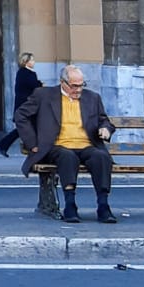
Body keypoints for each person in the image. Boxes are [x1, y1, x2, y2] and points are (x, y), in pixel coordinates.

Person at [16, 63, 118, 225]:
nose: (78, 90)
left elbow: (104, 120)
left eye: (81, 85)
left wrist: (105, 129)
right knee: (67, 156)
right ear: (63, 82)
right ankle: (70, 205)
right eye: (74, 86)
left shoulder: (92, 98)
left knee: (101, 156)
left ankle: (103, 205)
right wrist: (32, 143)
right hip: (57, 146)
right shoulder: (44, 95)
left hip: (86, 145)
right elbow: (21, 115)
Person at [0, 50, 42, 156]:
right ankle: (32, 148)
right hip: (26, 105)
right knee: (26, 127)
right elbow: (34, 87)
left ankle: (4, 144)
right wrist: (40, 84)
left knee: (24, 128)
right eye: (32, 60)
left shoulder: (22, 72)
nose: (34, 62)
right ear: (26, 62)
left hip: (24, 104)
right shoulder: (28, 73)